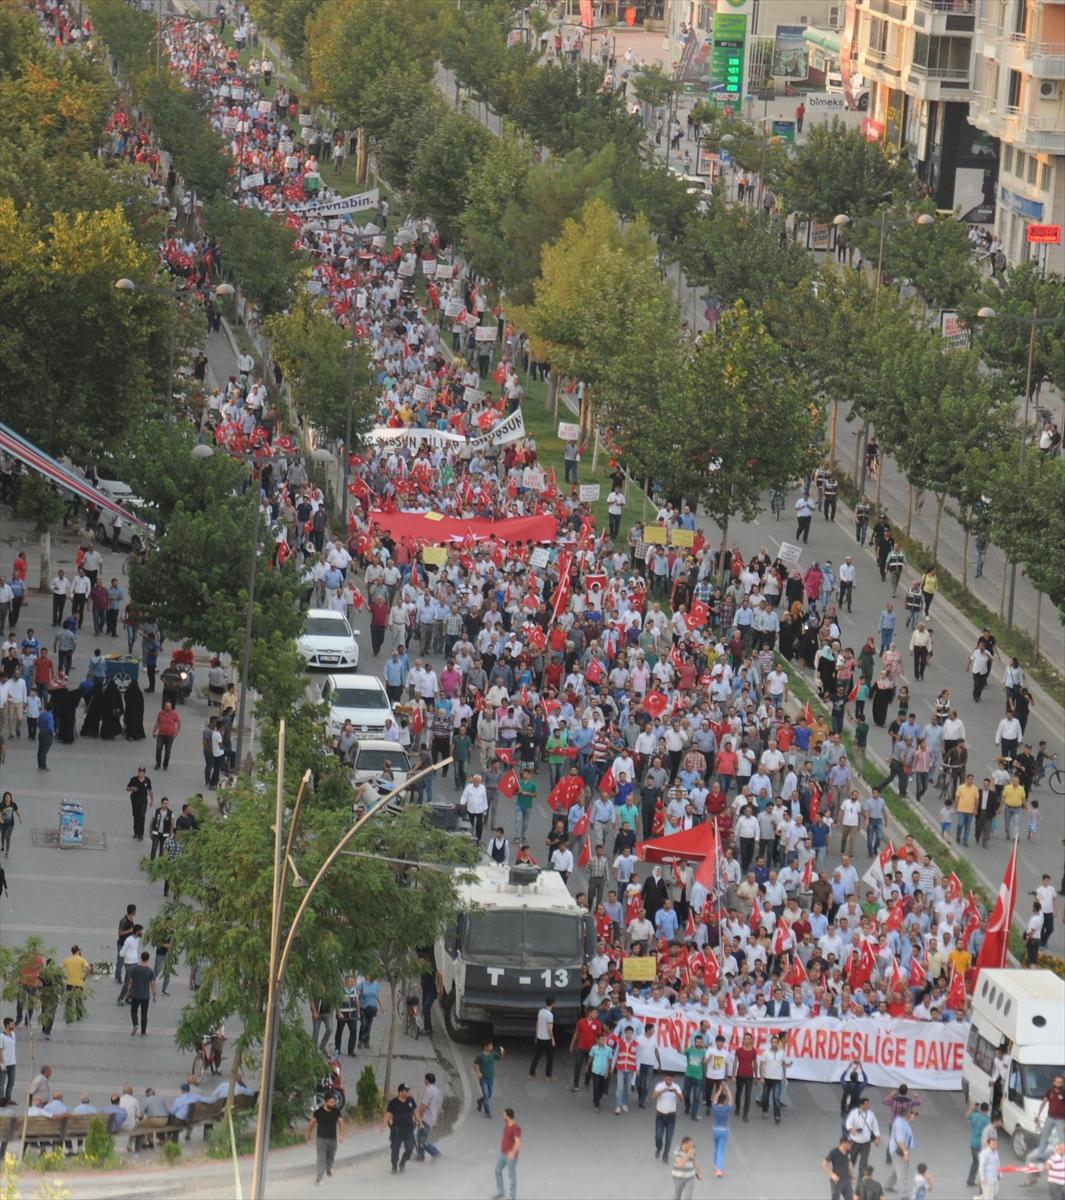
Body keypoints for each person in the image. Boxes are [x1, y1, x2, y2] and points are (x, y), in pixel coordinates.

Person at [306, 1092, 343, 1186]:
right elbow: (311, 1123)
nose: (333, 1104)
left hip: (332, 1139)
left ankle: (328, 1169)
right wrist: (308, 1134)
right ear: (325, 1102)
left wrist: (342, 1134)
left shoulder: (336, 1111)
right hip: (321, 1139)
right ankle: (319, 1178)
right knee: (321, 1159)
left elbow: (341, 1122)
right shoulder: (318, 1112)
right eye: (331, 1102)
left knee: (331, 1157)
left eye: (334, 1102)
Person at [384, 1082, 417, 1174]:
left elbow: (416, 1112)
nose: (408, 1092)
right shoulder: (393, 1102)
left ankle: (403, 1162)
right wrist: (383, 1125)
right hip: (397, 1131)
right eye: (406, 1091)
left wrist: (420, 1122)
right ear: (400, 1092)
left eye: (408, 1090)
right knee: (394, 1151)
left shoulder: (411, 1100)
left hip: (409, 1130)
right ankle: (394, 1166)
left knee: (410, 1148)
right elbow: (388, 1114)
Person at [653, 1074, 683, 1162]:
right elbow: (653, 1097)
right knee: (658, 1136)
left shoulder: (676, 1087)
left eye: (670, 1080)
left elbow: (682, 1100)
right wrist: (661, 1091)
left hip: (671, 1116)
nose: (668, 1082)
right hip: (660, 1115)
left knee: (669, 1137)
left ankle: (665, 1154)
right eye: (667, 1079)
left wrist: (676, 1092)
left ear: (672, 1080)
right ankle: (659, 1147)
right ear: (664, 1078)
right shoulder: (660, 1086)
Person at [126, 950, 157, 1036]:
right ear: (148, 959)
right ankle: (143, 1032)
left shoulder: (134, 969)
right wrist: (154, 995)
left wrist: (128, 992)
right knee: (144, 1014)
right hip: (145, 996)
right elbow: (153, 985)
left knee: (133, 1011)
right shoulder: (150, 971)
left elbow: (130, 982)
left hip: (135, 995)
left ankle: (135, 1024)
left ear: (141, 958)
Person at [494, 1108, 521, 1200]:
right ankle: (501, 1192)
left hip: (511, 1157)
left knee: (512, 1176)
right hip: (503, 1154)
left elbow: (518, 1142)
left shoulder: (516, 1128)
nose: (503, 1116)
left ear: (508, 1116)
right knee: (497, 1171)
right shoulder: (507, 1125)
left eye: (504, 1114)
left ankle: (512, 1198)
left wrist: (512, 1152)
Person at [415, 1072, 442, 1161]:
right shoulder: (436, 1090)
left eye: (425, 1079)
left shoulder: (429, 1090)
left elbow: (423, 1106)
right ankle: (420, 1156)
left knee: (422, 1140)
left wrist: (417, 1116)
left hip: (425, 1118)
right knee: (420, 1137)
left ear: (426, 1080)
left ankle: (436, 1154)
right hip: (431, 1118)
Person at [474, 1039, 504, 1118]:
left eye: (492, 1045)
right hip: (483, 1079)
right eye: (490, 1046)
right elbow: (474, 1064)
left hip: (490, 1078)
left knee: (489, 1095)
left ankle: (480, 1101)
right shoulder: (480, 1056)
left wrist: (502, 1052)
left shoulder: (492, 1053)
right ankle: (487, 1112)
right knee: (486, 1096)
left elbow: (499, 1057)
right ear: (485, 1047)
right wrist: (478, 1073)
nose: (492, 1047)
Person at [528, 994, 555, 1080]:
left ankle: (531, 1073)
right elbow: (549, 1028)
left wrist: (536, 1035)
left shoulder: (541, 1011)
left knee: (537, 1056)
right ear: (553, 1004)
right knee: (550, 1057)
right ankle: (548, 1075)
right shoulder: (550, 1015)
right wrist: (552, 1039)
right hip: (547, 1039)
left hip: (540, 1037)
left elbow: (537, 1024)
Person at [709, 1081, 733, 1178]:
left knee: (716, 1148)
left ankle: (715, 1165)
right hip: (724, 1131)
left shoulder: (715, 1107)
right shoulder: (727, 1108)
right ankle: (719, 1169)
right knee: (721, 1150)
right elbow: (731, 1099)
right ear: (725, 1101)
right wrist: (727, 1089)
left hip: (715, 1130)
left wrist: (719, 1090)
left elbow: (714, 1100)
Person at [823, 1134, 855, 1200]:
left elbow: (849, 1164)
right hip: (837, 1181)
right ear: (843, 1143)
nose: (851, 1145)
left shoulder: (848, 1151)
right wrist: (832, 1175)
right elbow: (824, 1164)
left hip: (847, 1180)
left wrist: (852, 1177)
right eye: (849, 1143)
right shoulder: (834, 1152)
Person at [126, 767, 154, 840]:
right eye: (139, 772)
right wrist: (132, 788)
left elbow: (150, 790)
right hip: (135, 800)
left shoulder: (147, 780)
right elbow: (127, 788)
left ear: (144, 773)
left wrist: (152, 800)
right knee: (135, 816)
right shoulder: (133, 779)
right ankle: (136, 832)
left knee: (142, 815)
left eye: (142, 772)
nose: (140, 773)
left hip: (143, 800)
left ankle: (141, 834)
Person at [672, 1135, 703, 1200]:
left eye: (692, 1145)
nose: (692, 1146)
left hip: (690, 1177)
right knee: (677, 1195)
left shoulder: (691, 1150)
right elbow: (680, 1164)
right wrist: (688, 1154)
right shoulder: (677, 1151)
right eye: (690, 1145)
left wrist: (699, 1172)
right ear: (684, 1144)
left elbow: (694, 1162)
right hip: (678, 1177)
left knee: (688, 1197)